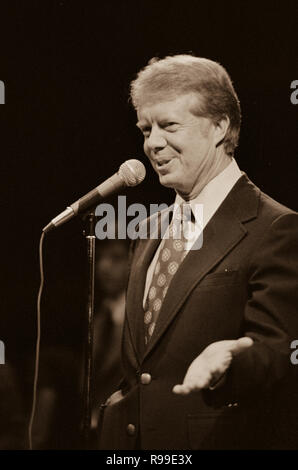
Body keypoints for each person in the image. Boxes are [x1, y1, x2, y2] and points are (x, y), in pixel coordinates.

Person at [98, 54, 298, 450]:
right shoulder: (148, 229)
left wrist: (231, 361)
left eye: (169, 125)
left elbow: (277, 351)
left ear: (220, 126)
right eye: (145, 128)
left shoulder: (275, 227)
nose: (152, 143)